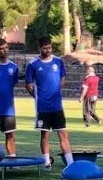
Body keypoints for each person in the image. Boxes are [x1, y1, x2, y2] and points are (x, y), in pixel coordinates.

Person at [25, 36, 74, 169]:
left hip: (57, 106)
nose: (48, 50)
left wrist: (57, 89)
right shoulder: (33, 64)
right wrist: (37, 97)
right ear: (39, 48)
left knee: (63, 134)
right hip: (42, 107)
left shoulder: (58, 61)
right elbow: (28, 84)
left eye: (50, 47)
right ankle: (47, 162)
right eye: (45, 48)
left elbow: (63, 77)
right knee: (44, 134)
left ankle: (70, 163)